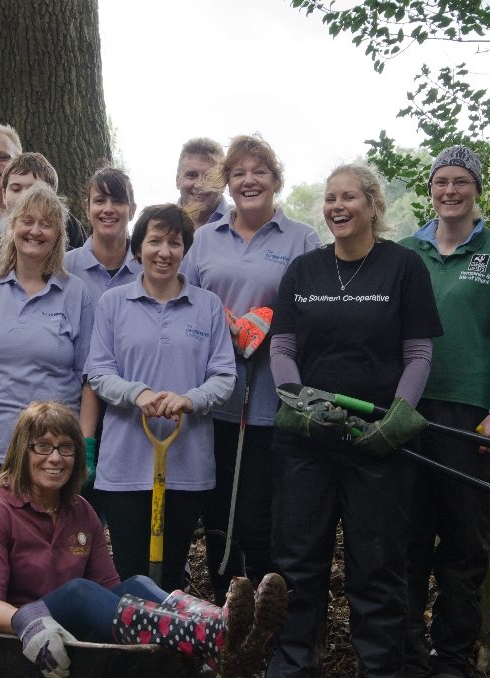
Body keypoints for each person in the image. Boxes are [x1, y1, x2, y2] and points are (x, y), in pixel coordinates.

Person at [0, 401, 287, 678]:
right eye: (42, 446)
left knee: (138, 584)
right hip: (7, 637)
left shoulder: (80, 511)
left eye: (65, 448)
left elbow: (114, 593)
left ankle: (218, 626)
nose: (55, 458)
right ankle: (212, 639)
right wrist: (26, 621)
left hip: (63, 633)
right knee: (78, 593)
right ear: (21, 452)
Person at [267, 164, 443, 678]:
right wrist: (298, 402)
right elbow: (282, 345)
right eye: (330, 198)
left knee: (378, 566)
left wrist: (397, 419)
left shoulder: (403, 267)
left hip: (376, 444)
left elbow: (418, 353)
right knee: (298, 563)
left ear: (372, 206)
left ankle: (382, 668)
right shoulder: (305, 271)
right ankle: (293, 664)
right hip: (308, 443)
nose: (337, 207)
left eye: (348, 198)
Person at [400, 146, 490, 678]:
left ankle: (452, 658)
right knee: (406, 539)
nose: (449, 190)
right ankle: (405, 655)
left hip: (470, 416)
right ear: (430, 189)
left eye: (460, 181)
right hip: (407, 413)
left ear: (477, 189)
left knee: (463, 544)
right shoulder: (408, 252)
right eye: (440, 182)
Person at [180, 134, 320, 602]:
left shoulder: (302, 238)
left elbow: (314, 308)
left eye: (259, 171)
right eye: (238, 173)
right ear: (227, 183)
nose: (249, 180)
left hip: (271, 400)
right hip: (213, 398)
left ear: (276, 180)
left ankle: (270, 604)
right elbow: (187, 303)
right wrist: (217, 319)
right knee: (218, 510)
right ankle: (226, 605)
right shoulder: (204, 238)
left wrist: (272, 318)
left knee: (260, 515)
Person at [85, 203, 235, 591]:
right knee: (133, 575)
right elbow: (99, 373)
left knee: (170, 575)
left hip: (186, 463)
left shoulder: (208, 306)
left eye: (174, 242)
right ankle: (134, 650)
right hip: (125, 465)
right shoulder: (113, 303)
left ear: (185, 250)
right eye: (154, 241)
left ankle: (170, 648)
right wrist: (139, 394)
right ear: (139, 248)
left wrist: (190, 399)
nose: (164, 252)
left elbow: (224, 376)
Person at [0, 182, 98, 509]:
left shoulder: (76, 294)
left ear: (58, 234)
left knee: (48, 555)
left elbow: (90, 378)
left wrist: (86, 443)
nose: (35, 231)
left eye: (46, 223)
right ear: (12, 227)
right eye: (27, 221)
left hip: (54, 456)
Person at [0, 152, 86, 271]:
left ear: (51, 198)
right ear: (4, 195)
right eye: (16, 189)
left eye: (33, 190)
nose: (24, 196)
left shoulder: (71, 261)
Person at [65, 166, 141, 302]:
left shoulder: (148, 270)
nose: (108, 209)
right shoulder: (64, 267)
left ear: (132, 211)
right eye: (100, 200)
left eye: (118, 201)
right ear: (87, 208)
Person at [176, 138, 230, 228]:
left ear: (223, 182)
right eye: (192, 175)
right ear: (177, 180)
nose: (199, 185)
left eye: (209, 177)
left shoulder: (242, 222)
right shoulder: (157, 225)